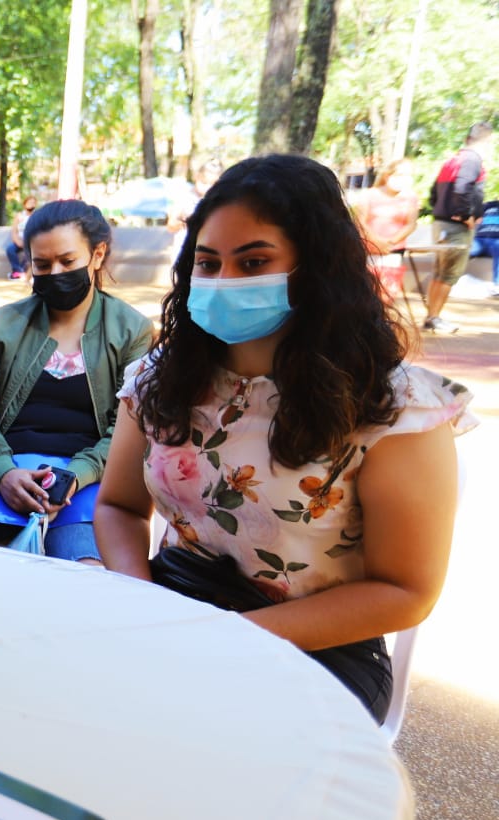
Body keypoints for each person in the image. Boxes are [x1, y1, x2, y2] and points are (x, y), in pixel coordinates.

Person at [95, 154, 474, 722]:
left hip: (316, 649)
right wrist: (142, 601)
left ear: (317, 269)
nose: (225, 282)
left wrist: (224, 638)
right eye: (208, 262)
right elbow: (119, 506)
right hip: (169, 609)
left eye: (253, 262)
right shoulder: (159, 380)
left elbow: (405, 590)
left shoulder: (395, 411)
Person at [0, 201, 152, 562]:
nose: (55, 273)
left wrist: (73, 476)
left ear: (97, 255)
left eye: (67, 262)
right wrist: (4, 472)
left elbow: (126, 428)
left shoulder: (131, 330)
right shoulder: (2, 323)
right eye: (42, 264)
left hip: (85, 480)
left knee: (90, 582)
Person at [424, 122, 491, 333]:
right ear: (484, 141)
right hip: (456, 226)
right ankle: (434, 317)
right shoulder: (472, 159)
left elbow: (433, 192)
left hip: (442, 222)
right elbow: (463, 187)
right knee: (449, 274)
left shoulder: (453, 159)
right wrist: (466, 216)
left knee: (440, 273)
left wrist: (441, 211)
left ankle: (431, 316)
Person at [353, 160, 420, 303]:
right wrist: (377, 241)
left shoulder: (410, 198)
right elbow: (360, 221)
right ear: (388, 175)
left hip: (393, 250)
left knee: (387, 293)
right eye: (399, 174)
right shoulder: (369, 195)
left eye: (407, 175)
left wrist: (390, 242)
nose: (403, 179)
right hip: (368, 250)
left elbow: (411, 224)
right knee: (364, 292)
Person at [3, 196, 37, 278]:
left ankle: (22, 272)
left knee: (28, 253)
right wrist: (17, 241)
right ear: (25, 204)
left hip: (31, 241)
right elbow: (14, 231)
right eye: (29, 202)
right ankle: (18, 271)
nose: (31, 205)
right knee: (10, 250)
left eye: (33, 203)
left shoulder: (36, 216)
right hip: (19, 240)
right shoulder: (19, 216)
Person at [470, 198, 499, 292]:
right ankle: (448, 282)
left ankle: (497, 285)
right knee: (462, 251)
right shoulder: (489, 205)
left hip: (496, 242)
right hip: (479, 240)